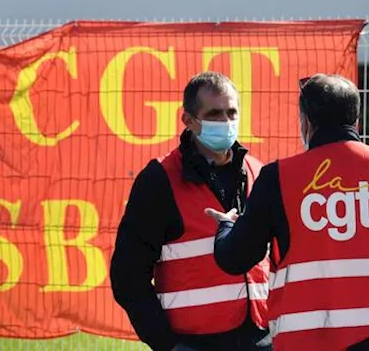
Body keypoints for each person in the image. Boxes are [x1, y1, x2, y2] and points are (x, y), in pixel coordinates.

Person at [205, 73, 369, 350]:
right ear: (356, 121)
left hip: (302, 340)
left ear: (306, 122)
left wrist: (227, 226)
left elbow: (235, 259)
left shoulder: (277, 177)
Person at [111, 71, 272, 351]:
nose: (226, 122)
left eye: (232, 112)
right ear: (188, 121)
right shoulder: (159, 181)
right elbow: (127, 276)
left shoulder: (258, 173)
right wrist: (167, 344)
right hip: (193, 341)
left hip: (260, 337)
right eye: (214, 114)